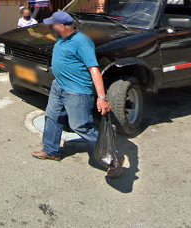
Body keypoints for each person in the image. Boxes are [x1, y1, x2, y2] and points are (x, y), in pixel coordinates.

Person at [31, 11, 123, 178]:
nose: (50, 27)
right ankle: (51, 150)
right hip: (58, 86)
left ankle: (113, 157)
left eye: (53, 24)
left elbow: (94, 69)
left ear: (62, 26)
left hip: (77, 91)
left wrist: (102, 98)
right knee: (52, 117)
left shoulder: (82, 42)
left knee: (81, 126)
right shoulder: (61, 37)